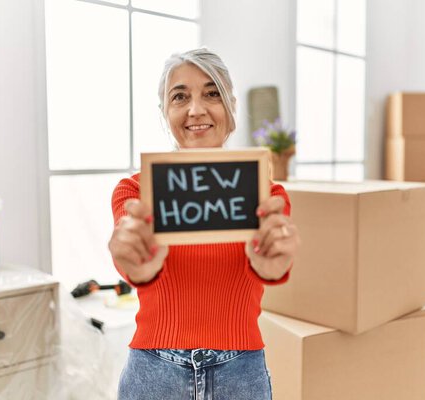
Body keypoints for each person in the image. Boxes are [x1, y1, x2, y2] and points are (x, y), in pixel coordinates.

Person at [108, 48, 300, 400]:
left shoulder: (268, 195)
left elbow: (272, 264)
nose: (196, 109)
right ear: (166, 112)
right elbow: (132, 263)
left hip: (241, 374)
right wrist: (134, 260)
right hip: (154, 373)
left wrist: (273, 266)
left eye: (212, 94)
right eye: (179, 96)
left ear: (230, 107)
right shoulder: (134, 192)